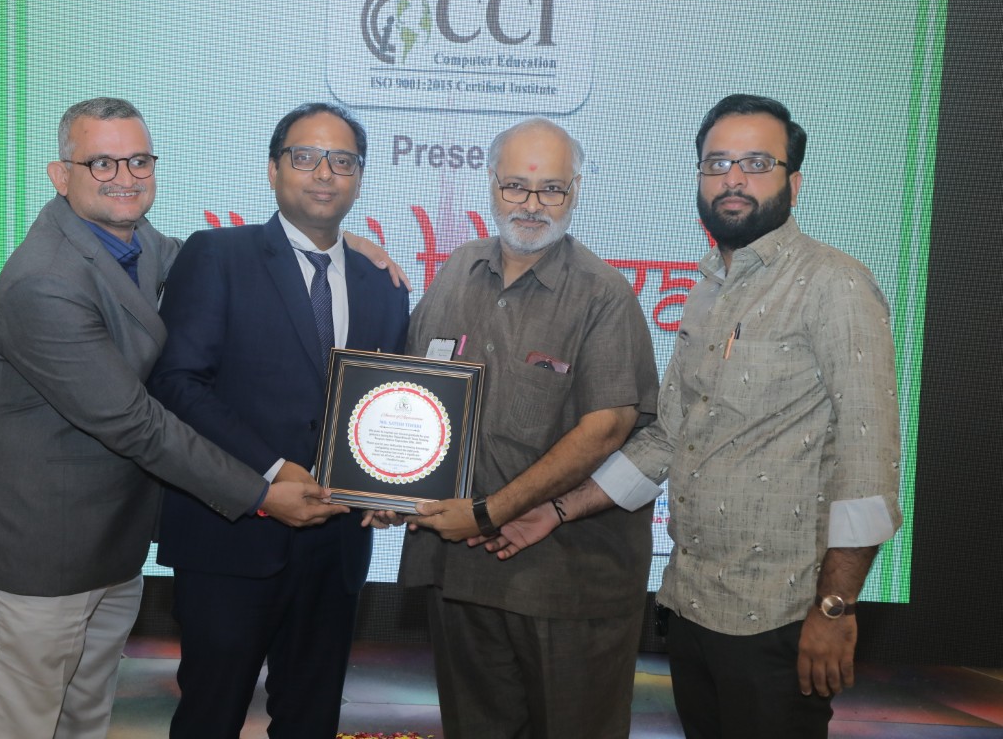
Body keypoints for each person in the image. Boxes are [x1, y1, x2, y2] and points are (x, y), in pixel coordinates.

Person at [0, 97, 393, 739]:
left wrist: (338, 247)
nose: (124, 177)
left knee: (81, 720)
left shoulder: (139, 243)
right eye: (101, 163)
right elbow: (136, 423)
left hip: (111, 548)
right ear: (60, 174)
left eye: (138, 161)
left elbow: (247, 266)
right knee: (14, 726)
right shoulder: (44, 280)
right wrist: (262, 492)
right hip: (35, 551)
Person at [483, 95, 903, 739]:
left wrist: (835, 608)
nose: (733, 179)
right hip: (692, 606)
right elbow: (668, 438)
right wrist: (558, 510)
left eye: (756, 163)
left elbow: (868, 457)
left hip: (782, 618)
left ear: (794, 181)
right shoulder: (707, 290)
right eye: (717, 164)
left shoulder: (834, 284)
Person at [146, 102, 409, 738]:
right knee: (210, 717)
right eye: (305, 156)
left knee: (312, 721)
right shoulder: (217, 254)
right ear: (273, 169)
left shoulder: (385, 285)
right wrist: (273, 470)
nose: (324, 172)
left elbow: (389, 405)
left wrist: (392, 486)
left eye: (342, 160)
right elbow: (177, 382)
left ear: (360, 177)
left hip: (337, 549)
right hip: (230, 537)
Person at [398, 116, 660, 738]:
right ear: (492, 185)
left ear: (576, 192)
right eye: (516, 186)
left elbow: (607, 427)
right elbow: (412, 394)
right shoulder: (457, 270)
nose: (532, 205)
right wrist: (391, 486)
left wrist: (489, 511)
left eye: (552, 189)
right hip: (460, 572)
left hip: (566, 584)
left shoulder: (603, 295)